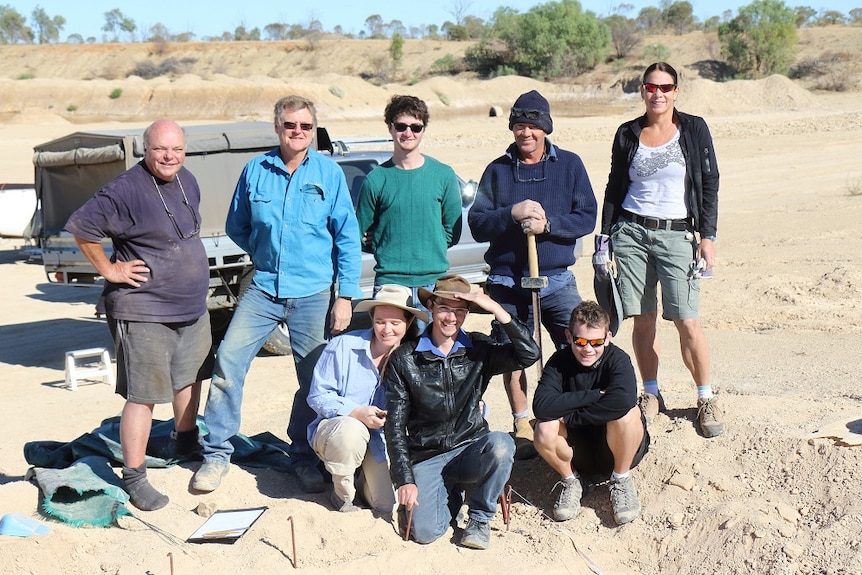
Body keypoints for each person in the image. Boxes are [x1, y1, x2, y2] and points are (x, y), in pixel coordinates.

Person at [192, 95, 362, 494]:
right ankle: (216, 454)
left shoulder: (328, 174)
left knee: (315, 379)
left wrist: (345, 296)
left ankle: (303, 457)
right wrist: (267, 253)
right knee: (228, 363)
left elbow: (348, 239)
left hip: (314, 292)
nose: (297, 132)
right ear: (277, 128)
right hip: (264, 287)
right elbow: (238, 226)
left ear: (313, 129)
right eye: (290, 125)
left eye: (305, 126)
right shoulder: (255, 170)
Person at [65, 119, 211, 511]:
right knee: (143, 395)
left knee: (190, 379)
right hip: (144, 308)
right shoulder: (123, 190)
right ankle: (135, 476)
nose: (170, 157)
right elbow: (82, 230)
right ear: (145, 149)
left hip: (191, 307)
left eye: (177, 149)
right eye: (161, 149)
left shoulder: (187, 180)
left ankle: (185, 441)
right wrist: (110, 270)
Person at [594, 62, 724, 438]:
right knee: (643, 317)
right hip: (631, 233)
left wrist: (708, 236)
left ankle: (705, 396)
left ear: (676, 91)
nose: (658, 94)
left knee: (687, 320)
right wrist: (604, 237)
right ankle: (650, 392)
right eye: (651, 87)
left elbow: (710, 182)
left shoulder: (694, 129)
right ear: (643, 91)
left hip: (678, 234)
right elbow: (614, 186)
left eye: (666, 87)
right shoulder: (627, 133)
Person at [468, 90, 597, 458]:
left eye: (534, 125)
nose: (526, 133)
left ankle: (573, 414)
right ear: (512, 129)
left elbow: (586, 216)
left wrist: (548, 225)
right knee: (514, 353)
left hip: (556, 279)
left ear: (546, 128)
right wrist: (511, 212)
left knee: (576, 345)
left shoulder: (569, 165)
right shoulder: (497, 170)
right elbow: (477, 223)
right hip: (507, 282)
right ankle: (522, 421)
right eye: (520, 125)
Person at [384, 274, 541, 550]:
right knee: (425, 532)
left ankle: (479, 518)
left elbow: (529, 354)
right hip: (427, 456)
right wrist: (404, 479)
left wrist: (496, 309)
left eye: (460, 310)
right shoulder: (404, 358)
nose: (451, 317)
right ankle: (452, 496)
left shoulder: (479, 349)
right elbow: (395, 426)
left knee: (502, 445)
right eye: (444, 308)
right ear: (430, 307)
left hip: (470, 449)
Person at [307, 284, 426, 514]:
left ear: (408, 323)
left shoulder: (414, 358)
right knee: (351, 430)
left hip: (382, 441)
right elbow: (318, 395)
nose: (386, 329)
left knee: (387, 506)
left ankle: (363, 482)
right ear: (372, 318)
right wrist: (356, 412)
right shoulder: (342, 345)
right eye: (380, 321)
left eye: (395, 323)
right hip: (340, 431)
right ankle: (342, 495)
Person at [532, 301, 650, 525]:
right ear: (568, 336)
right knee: (544, 426)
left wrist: (571, 416)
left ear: (608, 338)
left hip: (618, 450)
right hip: (578, 453)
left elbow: (623, 399)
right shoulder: (558, 363)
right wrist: (596, 394)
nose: (588, 349)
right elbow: (542, 406)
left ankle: (620, 480)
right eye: (580, 341)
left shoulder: (618, 360)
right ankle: (571, 481)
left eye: (596, 342)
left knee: (628, 413)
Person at [356, 94, 462, 329]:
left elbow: (451, 232)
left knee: (433, 357)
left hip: (433, 284)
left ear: (424, 129)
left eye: (416, 127)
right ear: (390, 128)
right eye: (401, 126)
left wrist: (426, 245)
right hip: (390, 284)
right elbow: (358, 232)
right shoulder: (375, 179)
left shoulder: (443, 175)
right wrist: (384, 244)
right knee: (387, 357)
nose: (408, 133)